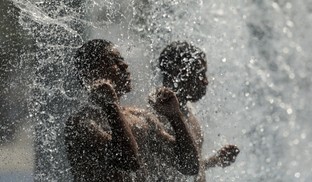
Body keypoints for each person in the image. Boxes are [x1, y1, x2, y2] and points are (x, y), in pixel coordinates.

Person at [64, 39, 200, 181]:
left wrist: (174, 116)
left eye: (121, 59)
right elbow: (128, 161)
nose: (125, 65)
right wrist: (111, 105)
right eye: (114, 61)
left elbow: (189, 165)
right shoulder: (81, 124)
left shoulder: (141, 118)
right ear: (91, 73)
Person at [154, 41, 240, 182]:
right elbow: (187, 165)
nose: (205, 81)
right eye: (200, 73)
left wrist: (214, 160)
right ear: (178, 72)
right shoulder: (159, 114)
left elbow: (187, 169)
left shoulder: (188, 111)